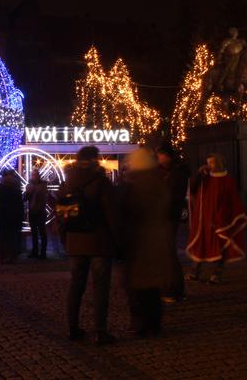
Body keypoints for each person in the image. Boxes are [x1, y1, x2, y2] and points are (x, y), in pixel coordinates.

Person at [58, 146, 119, 345]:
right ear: (95, 159)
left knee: (75, 286)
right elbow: (112, 214)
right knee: (100, 288)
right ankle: (100, 332)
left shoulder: (67, 182)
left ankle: (71, 328)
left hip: (75, 241)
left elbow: (62, 216)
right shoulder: (101, 182)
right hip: (99, 241)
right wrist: (118, 239)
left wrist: (65, 239)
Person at [121, 148, 174, 338]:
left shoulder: (132, 185)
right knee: (152, 289)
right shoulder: (159, 183)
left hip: (137, 242)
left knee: (137, 288)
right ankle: (154, 324)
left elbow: (128, 214)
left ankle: (140, 324)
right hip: (157, 239)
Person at [186, 153, 247, 284]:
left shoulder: (227, 180)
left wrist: (221, 219)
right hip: (203, 219)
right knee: (200, 245)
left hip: (218, 221)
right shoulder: (205, 178)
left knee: (218, 247)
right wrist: (198, 174)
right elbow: (192, 189)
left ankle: (216, 274)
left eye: (212, 163)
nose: (209, 166)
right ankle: (194, 272)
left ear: (218, 163)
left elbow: (230, 201)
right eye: (208, 163)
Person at [156, 142, 191, 303]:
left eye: (160, 156)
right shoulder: (173, 171)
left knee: (168, 253)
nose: (158, 159)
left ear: (167, 156)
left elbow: (170, 196)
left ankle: (172, 289)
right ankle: (173, 288)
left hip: (167, 217)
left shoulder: (176, 173)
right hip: (168, 216)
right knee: (167, 253)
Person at [0, 169, 24, 264]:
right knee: (13, 237)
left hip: (3, 215)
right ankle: (12, 257)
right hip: (14, 215)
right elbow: (20, 203)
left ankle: (0, 258)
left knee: (2, 237)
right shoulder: (16, 189)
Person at [25, 169, 49, 259]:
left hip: (38, 211)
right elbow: (26, 197)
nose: (33, 176)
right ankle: (38, 252)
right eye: (33, 175)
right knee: (37, 233)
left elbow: (27, 198)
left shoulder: (37, 186)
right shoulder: (42, 185)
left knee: (40, 233)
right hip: (36, 211)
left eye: (35, 175)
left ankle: (40, 252)